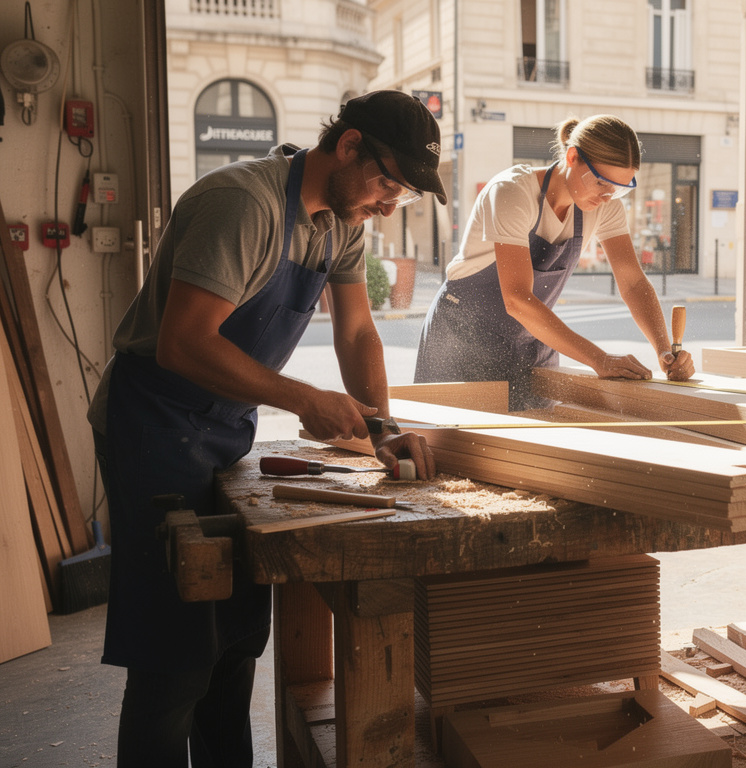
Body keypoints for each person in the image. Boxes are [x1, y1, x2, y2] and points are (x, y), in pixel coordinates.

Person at [86, 89, 439, 767]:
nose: (389, 205)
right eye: (387, 183)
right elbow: (183, 344)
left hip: (225, 425)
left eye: (402, 194)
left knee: (235, 644)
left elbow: (357, 331)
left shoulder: (341, 222)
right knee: (174, 656)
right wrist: (305, 400)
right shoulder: (243, 204)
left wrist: (382, 425)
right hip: (155, 423)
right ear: (349, 146)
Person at [414, 114, 694, 409]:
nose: (607, 196)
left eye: (618, 188)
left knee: (537, 433)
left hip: (529, 341)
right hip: (463, 338)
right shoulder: (512, 192)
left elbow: (633, 283)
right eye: (601, 182)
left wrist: (665, 351)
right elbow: (517, 299)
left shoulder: (604, 206)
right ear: (572, 157)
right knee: (458, 433)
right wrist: (599, 359)